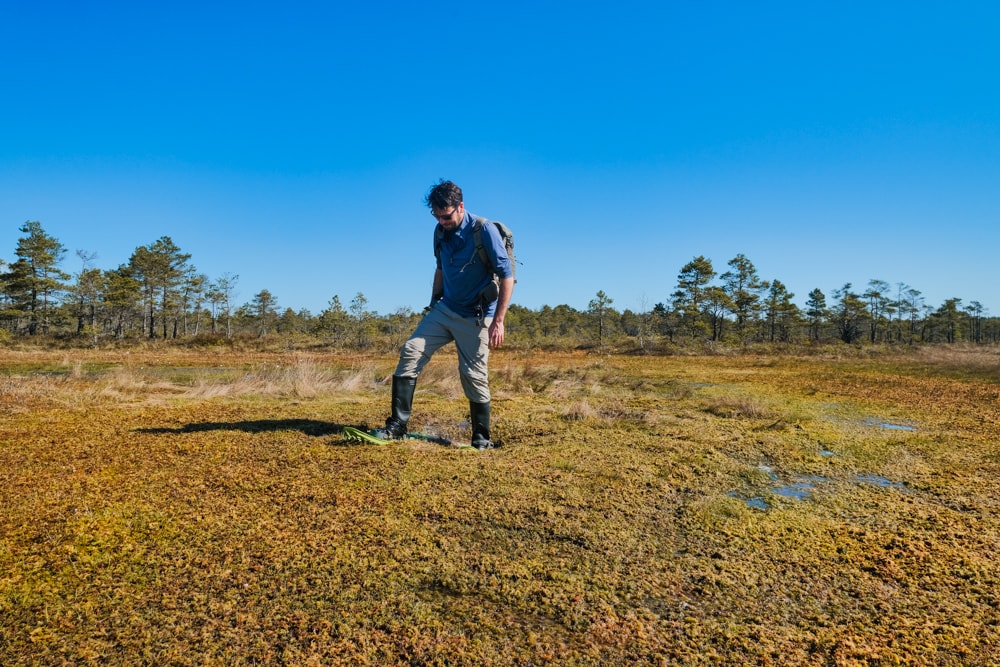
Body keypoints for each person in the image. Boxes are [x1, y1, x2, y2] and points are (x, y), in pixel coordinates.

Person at [374, 180, 514, 449]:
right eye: (436, 216)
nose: (441, 221)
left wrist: (498, 321)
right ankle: (397, 426)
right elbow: (441, 268)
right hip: (445, 309)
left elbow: (507, 275)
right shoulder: (439, 232)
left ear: (460, 207)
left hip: (476, 316)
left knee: (473, 375)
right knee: (411, 350)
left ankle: (481, 439)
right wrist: (432, 302)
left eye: (446, 216)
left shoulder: (484, 231)